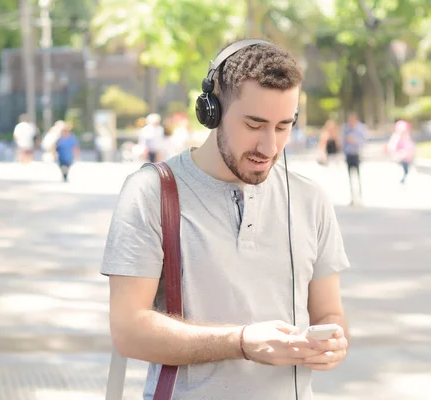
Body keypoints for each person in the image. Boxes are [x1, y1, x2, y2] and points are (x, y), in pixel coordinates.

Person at [101, 40, 350, 399]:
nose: (269, 147)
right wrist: (242, 342)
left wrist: (332, 341)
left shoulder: (310, 198)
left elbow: (329, 313)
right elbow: (128, 330)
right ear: (212, 112)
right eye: (254, 124)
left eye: (283, 126)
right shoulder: (150, 192)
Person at [342, 112, 366, 205]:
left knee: (358, 176)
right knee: (350, 177)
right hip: (348, 154)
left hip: (357, 154)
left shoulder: (360, 128)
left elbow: (364, 141)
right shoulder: (346, 128)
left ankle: (360, 196)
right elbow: (342, 141)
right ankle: (352, 196)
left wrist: (355, 140)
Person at [387, 119, 416, 184]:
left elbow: (410, 145)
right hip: (400, 156)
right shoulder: (397, 137)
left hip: (407, 156)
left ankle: (404, 178)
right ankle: (401, 180)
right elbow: (392, 146)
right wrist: (397, 153)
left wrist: (412, 152)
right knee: (402, 169)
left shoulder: (407, 136)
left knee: (406, 169)